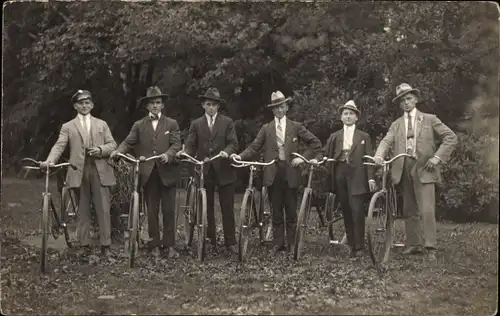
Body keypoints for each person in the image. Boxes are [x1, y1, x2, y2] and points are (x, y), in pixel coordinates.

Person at [374, 83, 457, 262]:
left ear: (416, 99)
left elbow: (451, 137)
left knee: (427, 209)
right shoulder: (396, 125)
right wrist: (379, 155)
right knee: (409, 208)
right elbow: (386, 141)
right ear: (399, 104)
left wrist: (436, 158)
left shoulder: (429, 119)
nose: (406, 102)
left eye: (409, 98)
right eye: (402, 100)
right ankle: (414, 244)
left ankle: (430, 247)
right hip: (403, 168)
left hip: (425, 168)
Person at [231, 91, 322, 252]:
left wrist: (302, 158)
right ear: (272, 111)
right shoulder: (267, 128)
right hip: (272, 172)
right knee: (276, 210)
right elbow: (254, 146)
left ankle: (292, 242)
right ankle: (278, 242)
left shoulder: (296, 127)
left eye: (282, 107)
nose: (279, 111)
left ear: (286, 107)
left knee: (291, 209)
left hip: (291, 172)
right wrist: (240, 156)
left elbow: (315, 143)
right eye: (276, 108)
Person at [41, 90, 117, 257]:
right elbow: (59, 146)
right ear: (75, 106)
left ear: (92, 105)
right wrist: (50, 160)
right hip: (78, 171)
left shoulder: (101, 124)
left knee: (103, 208)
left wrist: (100, 150)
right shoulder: (68, 126)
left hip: (100, 170)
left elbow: (112, 145)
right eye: (81, 103)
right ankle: (84, 245)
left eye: (87, 102)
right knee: (82, 210)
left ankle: (106, 246)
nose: (84, 105)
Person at [110, 86, 182, 258]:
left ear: (162, 105)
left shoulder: (171, 124)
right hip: (148, 173)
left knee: (169, 209)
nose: (155, 106)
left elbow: (176, 145)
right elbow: (128, 142)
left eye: (158, 103)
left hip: (167, 172)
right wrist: (118, 152)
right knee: (152, 210)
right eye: (152, 103)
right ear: (147, 106)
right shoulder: (139, 125)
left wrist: (169, 155)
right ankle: (154, 244)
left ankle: (170, 245)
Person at [179, 87, 238, 254]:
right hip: (204, 170)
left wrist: (227, 152)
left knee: (227, 207)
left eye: (214, 105)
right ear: (203, 105)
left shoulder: (227, 122)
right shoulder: (196, 124)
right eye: (208, 104)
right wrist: (185, 153)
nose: (211, 107)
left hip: (224, 169)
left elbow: (233, 143)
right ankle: (210, 239)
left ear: (218, 106)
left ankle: (230, 242)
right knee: (207, 206)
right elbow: (191, 145)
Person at [323, 100, 376, 258]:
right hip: (340, 173)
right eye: (345, 113)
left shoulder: (364, 136)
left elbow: (368, 159)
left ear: (356, 117)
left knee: (357, 209)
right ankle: (351, 242)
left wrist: (371, 178)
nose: (348, 116)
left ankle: (360, 246)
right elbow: (326, 154)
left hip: (358, 175)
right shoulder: (335, 136)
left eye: (351, 114)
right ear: (341, 117)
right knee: (346, 209)